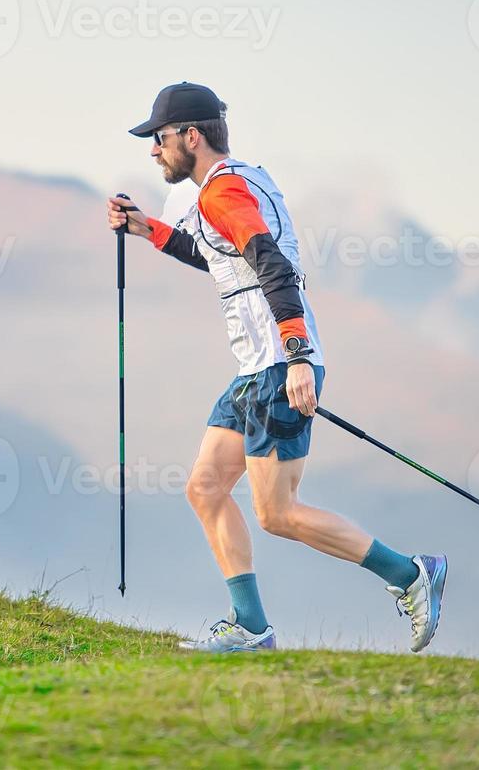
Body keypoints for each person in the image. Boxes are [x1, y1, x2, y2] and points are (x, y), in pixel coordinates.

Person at [107, 82, 447, 654]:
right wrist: (148, 229)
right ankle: (250, 628)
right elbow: (221, 257)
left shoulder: (222, 194)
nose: (153, 150)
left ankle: (411, 575)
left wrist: (297, 360)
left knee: (278, 513)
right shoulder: (235, 183)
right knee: (206, 488)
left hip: (277, 368)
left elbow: (272, 267)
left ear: (191, 136)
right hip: (255, 371)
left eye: (160, 138)